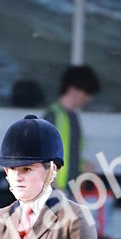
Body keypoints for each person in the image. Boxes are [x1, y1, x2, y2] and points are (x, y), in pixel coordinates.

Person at [43, 65, 101, 194]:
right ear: (73, 89)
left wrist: (82, 165)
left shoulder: (73, 117)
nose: (88, 99)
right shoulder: (53, 116)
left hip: (67, 190)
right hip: (54, 190)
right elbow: (41, 155)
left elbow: (70, 153)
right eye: (87, 93)